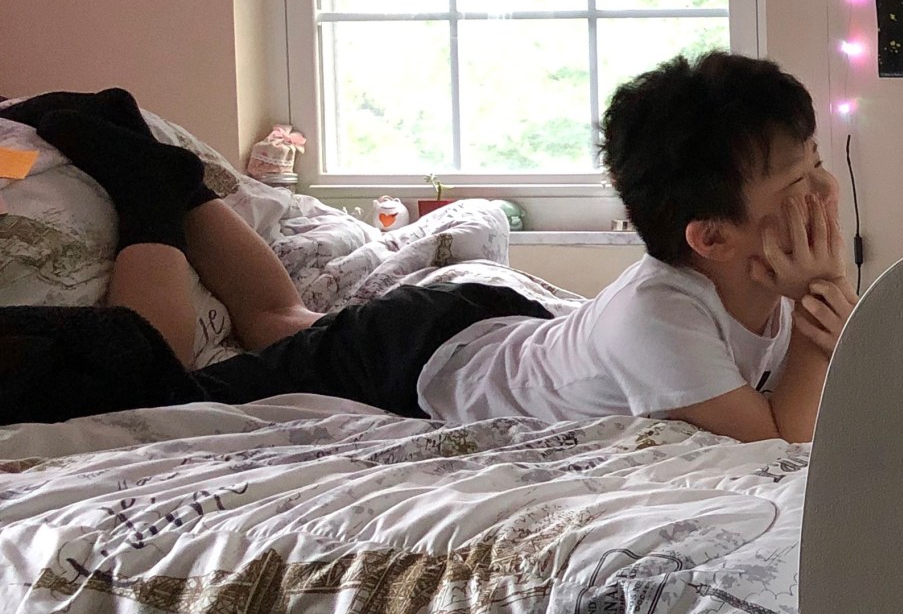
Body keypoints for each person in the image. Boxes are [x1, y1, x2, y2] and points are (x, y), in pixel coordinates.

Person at [0, 53, 854, 444]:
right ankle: (155, 189)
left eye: (817, 165)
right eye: (797, 186)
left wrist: (816, 311)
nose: (824, 194)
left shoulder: (755, 280)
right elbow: (782, 437)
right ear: (710, 237)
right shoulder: (662, 317)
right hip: (417, 355)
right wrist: (823, 324)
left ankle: (175, 182)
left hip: (493, 321)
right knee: (173, 386)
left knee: (284, 322)